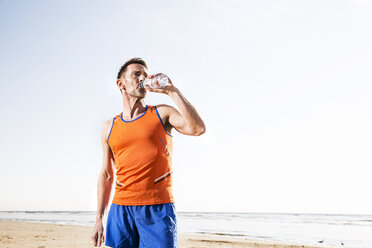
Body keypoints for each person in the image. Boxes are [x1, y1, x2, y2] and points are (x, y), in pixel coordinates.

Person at [91, 57, 206, 248]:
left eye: (145, 74)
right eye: (136, 74)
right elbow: (106, 174)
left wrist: (172, 91)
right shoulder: (108, 127)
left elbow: (197, 128)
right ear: (121, 84)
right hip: (120, 209)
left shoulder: (162, 113)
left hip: (157, 208)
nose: (142, 78)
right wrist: (99, 219)